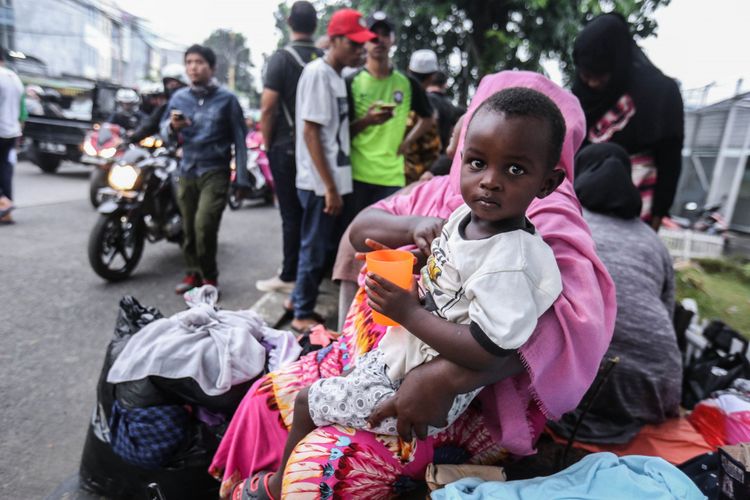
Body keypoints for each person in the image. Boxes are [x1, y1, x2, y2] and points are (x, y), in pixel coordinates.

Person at [209, 71, 616, 499]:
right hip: (385, 351)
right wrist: (414, 233)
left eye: (515, 164)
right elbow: (364, 226)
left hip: (456, 399)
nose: (490, 177)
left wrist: (441, 377)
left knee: (323, 468)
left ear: (549, 169)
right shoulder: (457, 199)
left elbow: (537, 330)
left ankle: (273, 488)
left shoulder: (545, 226)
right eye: (477, 157)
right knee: (264, 397)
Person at [548, 142, 682, 444]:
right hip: (657, 387)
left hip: (576, 385)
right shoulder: (653, 241)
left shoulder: (563, 222)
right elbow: (668, 312)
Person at [285, 9, 375, 333]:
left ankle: (298, 300)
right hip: (319, 183)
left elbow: (333, 131)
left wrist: (366, 122)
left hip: (333, 180)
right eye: (354, 44)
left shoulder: (337, 75)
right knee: (314, 247)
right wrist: (330, 188)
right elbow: (310, 133)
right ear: (335, 40)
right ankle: (301, 311)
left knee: (320, 245)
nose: (359, 51)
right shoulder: (317, 73)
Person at [572, 13, 684, 231]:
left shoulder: (659, 93)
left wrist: (658, 214)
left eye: (601, 75)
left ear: (617, 64)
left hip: (637, 201)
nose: (592, 83)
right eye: (587, 74)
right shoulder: (578, 99)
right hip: (581, 196)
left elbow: (670, 160)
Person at [160, 44, 249, 294]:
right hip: (186, 169)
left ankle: (209, 277)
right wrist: (172, 128)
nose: (193, 67)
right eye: (189, 62)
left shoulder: (227, 100)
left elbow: (240, 141)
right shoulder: (179, 98)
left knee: (204, 224)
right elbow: (163, 131)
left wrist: (241, 179)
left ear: (212, 67)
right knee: (188, 226)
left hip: (215, 170)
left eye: (199, 62)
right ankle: (192, 274)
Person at [256, 1, 324, 295]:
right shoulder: (324, 59)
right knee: (314, 213)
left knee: (290, 214)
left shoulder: (281, 58)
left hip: (286, 146)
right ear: (315, 25)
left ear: (288, 22)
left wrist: (268, 143)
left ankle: (289, 275)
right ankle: (312, 272)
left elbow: (268, 107)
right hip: (319, 148)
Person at [346, 12, 435, 215]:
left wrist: (407, 142)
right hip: (356, 175)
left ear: (393, 39)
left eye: (385, 33)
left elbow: (428, 117)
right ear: (364, 40)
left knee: (386, 242)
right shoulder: (351, 81)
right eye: (373, 33)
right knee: (354, 238)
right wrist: (367, 121)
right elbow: (342, 132)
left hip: (392, 176)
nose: (379, 39)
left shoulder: (406, 82)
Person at [403, 49, 442, 183]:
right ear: (432, 76)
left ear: (408, 69)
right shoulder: (431, 108)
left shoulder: (397, 97)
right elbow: (431, 150)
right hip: (416, 179)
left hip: (384, 174)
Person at [129, 64, 188, 144]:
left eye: (175, 84)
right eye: (168, 84)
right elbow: (149, 126)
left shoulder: (195, 103)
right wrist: (130, 139)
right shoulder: (165, 107)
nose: (171, 87)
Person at [0, 47, 24, 225]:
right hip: (12, 131)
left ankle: (3, 203)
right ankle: (6, 212)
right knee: (5, 170)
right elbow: (22, 109)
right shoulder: (14, 78)